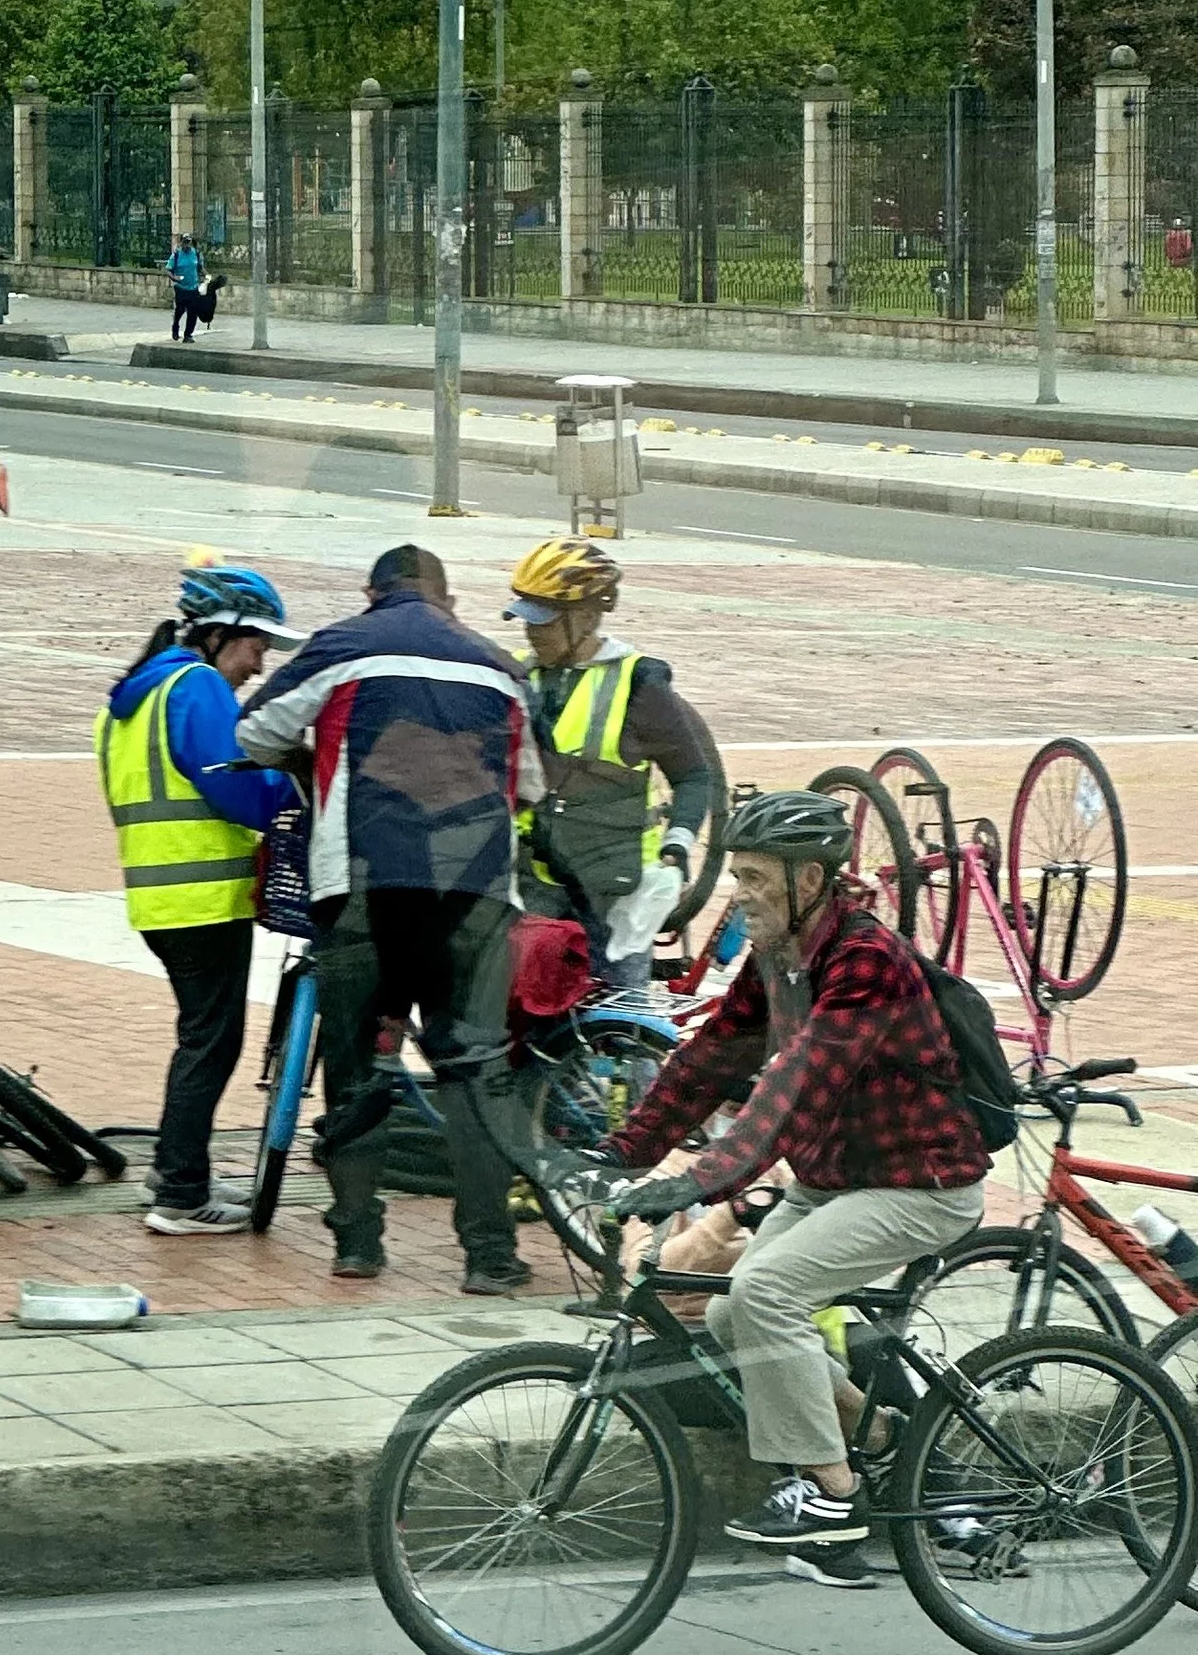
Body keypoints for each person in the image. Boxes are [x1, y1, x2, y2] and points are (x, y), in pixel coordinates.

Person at [600, 787, 988, 1585]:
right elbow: (713, 1056)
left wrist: (703, 1180)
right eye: (736, 875)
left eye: (754, 877)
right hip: (835, 1178)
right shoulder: (778, 956)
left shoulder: (866, 961)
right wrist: (624, 1151)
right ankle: (883, 1439)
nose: (738, 892)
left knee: (767, 1291)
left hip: (920, 1183)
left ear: (809, 879)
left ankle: (833, 1495)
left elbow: (796, 1087)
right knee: (730, 1312)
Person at [238, 543, 542, 1292]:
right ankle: (489, 1256)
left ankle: (358, 1244)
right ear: (446, 596)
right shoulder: (500, 666)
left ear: (373, 593)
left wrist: (313, 757)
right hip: (474, 895)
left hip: (363, 889)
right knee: (474, 1073)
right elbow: (532, 784)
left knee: (358, 1069)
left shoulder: (344, 644)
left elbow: (253, 734)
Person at [99, 564, 300, 1233]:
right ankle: (182, 1196)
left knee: (200, 1037)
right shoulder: (197, 686)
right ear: (220, 635)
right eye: (256, 646)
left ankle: (172, 1170)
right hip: (205, 898)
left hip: (158, 898)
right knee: (211, 1044)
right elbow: (236, 785)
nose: (259, 664)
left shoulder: (131, 698)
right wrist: (290, 785)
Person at [504, 536, 723, 1004]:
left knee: (620, 1019)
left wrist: (676, 848)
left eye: (543, 621)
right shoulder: (518, 677)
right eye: (526, 620)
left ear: (587, 617)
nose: (531, 632)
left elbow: (692, 776)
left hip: (615, 893)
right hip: (535, 882)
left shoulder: (637, 682)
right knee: (527, 1017)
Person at [166, 230, 206, 344]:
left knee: (193, 312)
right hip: (181, 288)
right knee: (180, 310)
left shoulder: (196, 254)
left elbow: (200, 267)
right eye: (185, 242)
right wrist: (174, 278)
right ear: (181, 243)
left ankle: (188, 335)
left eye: (189, 242)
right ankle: (175, 326)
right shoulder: (176, 255)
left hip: (193, 287)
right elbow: (168, 269)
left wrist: (206, 276)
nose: (187, 245)